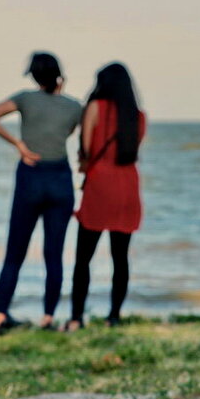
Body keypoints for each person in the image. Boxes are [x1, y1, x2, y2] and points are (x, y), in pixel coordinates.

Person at [0, 52, 82, 333]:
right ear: (59, 75)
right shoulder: (74, 106)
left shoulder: (25, 99)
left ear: (34, 76)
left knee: (15, 251)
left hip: (30, 175)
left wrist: (19, 144)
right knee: (54, 254)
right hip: (60, 178)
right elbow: (71, 132)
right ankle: (48, 318)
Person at [63, 62, 145, 331]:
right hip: (127, 185)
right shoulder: (138, 116)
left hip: (100, 183)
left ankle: (76, 317)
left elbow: (86, 148)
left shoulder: (95, 108)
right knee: (120, 258)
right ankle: (114, 316)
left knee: (83, 257)